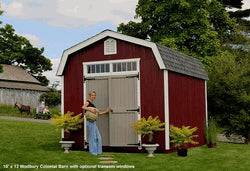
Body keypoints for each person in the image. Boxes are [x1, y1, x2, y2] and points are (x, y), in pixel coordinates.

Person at [82, 90, 110, 155]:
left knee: (98, 137)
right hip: (90, 122)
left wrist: (106, 111)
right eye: (92, 95)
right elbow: (83, 107)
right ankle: (93, 152)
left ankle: (98, 152)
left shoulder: (93, 104)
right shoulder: (88, 102)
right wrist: (90, 109)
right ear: (90, 96)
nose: (94, 96)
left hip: (94, 122)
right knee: (92, 137)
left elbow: (99, 113)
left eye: (94, 95)